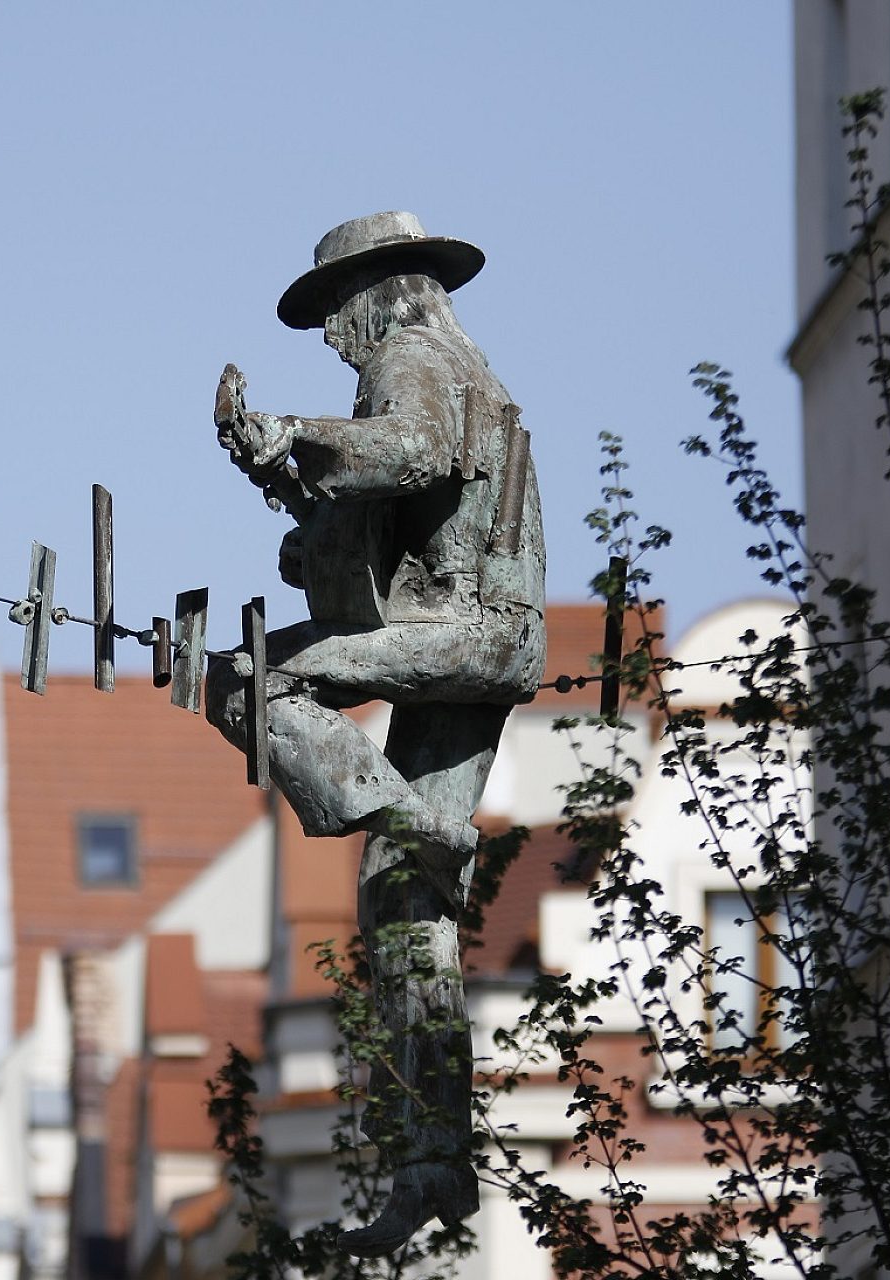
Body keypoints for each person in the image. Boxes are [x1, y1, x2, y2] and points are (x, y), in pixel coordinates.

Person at [205, 211, 545, 1255]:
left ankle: (413, 821)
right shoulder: (465, 369)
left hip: (459, 633)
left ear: (378, 294)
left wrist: (296, 435)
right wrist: (299, 498)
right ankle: (432, 1160)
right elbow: (387, 524)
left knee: (241, 677)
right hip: (475, 637)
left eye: (333, 311)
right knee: (401, 894)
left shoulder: (412, 356)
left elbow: (410, 452)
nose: (330, 335)